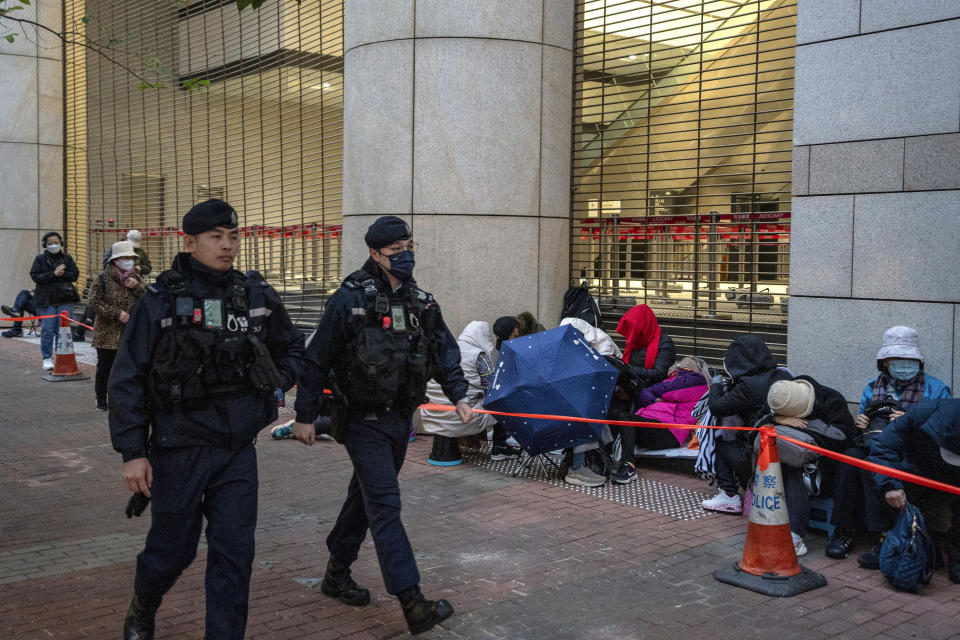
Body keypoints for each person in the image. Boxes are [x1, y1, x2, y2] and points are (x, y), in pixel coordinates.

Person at [108, 199, 304, 640]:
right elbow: (128, 378)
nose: (228, 245)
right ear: (190, 241)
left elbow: (293, 348)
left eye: (233, 236)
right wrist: (133, 452)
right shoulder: (161, 300)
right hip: (180, 447)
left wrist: (275, 378)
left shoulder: (254, 294)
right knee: (172, 551)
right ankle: (145, 603)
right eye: (216, 237)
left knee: (235, 554)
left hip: (237, 452)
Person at [291, 216, 472, 636]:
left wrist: (460, 396)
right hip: (359, 420)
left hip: (398, 420)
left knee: (366, 498)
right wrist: (303, 415)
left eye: (409, 246)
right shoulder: (349, 299)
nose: (405, 255)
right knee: (386, 507)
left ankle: (337, 571)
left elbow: (444, 351)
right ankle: (413, 602)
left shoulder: (420, 302)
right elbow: (316, 358)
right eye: (396, 250)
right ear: (374, 253)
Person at [835, 326, 952, 567]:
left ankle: (884, 535)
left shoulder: (937, 389)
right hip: (876, 443)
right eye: (895, 360)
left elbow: (942, 430)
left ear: (918, 361)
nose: (902, 364)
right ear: (885, 363)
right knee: (849, 457)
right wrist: (862, 422)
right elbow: (865, 422)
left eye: (908, 360)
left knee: (874, 466)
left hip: (914, 452)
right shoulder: (873, 385)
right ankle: (843, 530)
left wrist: (909, 421)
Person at [868, 398, 960, 584]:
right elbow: (883, 446)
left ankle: (956, 553)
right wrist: (890, 485)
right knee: (886, 480)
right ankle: (893, 541)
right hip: (919, 467)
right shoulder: (921, 413)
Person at [766, 376, 856, 556]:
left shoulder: (832, 400)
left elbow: (843, 439)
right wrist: (779, 419)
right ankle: (774, 525)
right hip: (785, 463)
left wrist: (806, 430)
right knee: (785, 461)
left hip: (824, 465)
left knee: (797, 468)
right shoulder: (783, 393)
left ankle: (794, 534)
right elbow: (757, 425)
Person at [700, 335, 790, 516]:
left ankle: (729, 495)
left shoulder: (747, 386)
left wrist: (716, 385)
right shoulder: (783, 374)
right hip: (787, 446)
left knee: (719, 441)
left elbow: (717, 407)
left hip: (759, 453)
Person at [420, 320, 521, 466]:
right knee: (502, 404)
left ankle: (466, 443)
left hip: (432, 414)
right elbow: (491, 389)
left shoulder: (446, 348)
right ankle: (499, 448)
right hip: (462, 415)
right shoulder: (479, 355)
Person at [611, 357, 711, 484]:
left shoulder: (697, 381)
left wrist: (657, 393)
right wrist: (657, 398)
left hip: (670, 429)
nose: (678, 369)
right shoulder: (673, 381)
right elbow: (644, 395)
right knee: (615, 414)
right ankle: (608, 459)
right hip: (654, 422)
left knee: (625, 417)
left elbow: (665, 390)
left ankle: (629, 465)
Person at [88, 241, 146, 411]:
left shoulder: (135, 278)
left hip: (130, 332)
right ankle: (101, 398)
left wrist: (137, 288)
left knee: (128, 368)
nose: (129, 261)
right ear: (115, 261)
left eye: (131, 258)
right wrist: (117, 314)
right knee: (105, 367)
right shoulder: (102, 279)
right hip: (107, 332)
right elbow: (94, 302)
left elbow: (147, 299)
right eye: (124, 258)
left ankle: (123, 398)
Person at [30, 231, 80, 371]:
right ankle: (47, 358)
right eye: (50, 243)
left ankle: (61, 356)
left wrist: (62, 274)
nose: (53, 245)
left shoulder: (67, 258)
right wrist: (53, 274)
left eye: (56, 242)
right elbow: (35, 276)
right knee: (47, 330)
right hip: (46, 301)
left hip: (65, 299)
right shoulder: (40, 259)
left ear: (61, 243)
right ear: (45, 245)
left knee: (63, 331)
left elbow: (75, 275)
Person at [616, 303, 676, 388]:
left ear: (643, 327)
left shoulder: (664, 344)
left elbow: (660, 374)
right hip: (633, 385)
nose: (631, 334)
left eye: (635, 330)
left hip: (653, 389)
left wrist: (627, 368)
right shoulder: (635, 341)